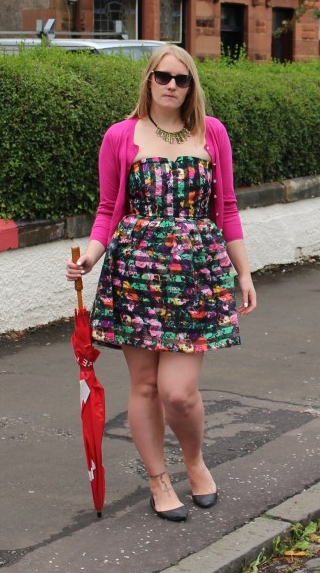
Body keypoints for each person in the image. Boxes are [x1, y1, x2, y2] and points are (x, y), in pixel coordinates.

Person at [66, 45, 256, 522]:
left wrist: (244, 272)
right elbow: (109, 209)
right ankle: (158, 480)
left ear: (192, 86)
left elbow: (226, 208)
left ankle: (194, 461)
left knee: (179, 392)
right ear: (148, 80)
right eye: (163, 76)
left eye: (182, 79)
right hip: (135, 276)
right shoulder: (121, 136)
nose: (172, 85)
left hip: (195, 276)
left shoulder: (211, 133)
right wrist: (90, 255)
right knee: (146, 386)